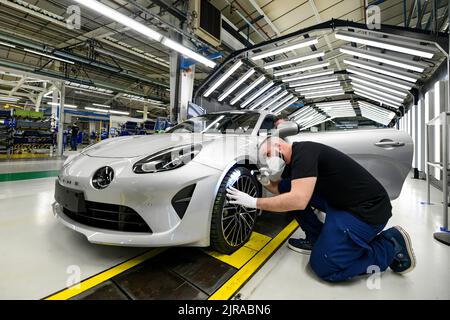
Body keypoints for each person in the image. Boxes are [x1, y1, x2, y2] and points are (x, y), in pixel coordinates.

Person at [226, 136, 416, 282]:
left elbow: (299, 200)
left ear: (279, 146)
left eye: (268, 155)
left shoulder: (305, 152)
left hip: (365, 212)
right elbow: (279, 188)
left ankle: (389, 246)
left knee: (324, 268)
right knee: (286, 188)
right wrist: (263, 179)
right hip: (342, 203)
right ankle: (316, 239)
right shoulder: (293, 164)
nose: (268, 160)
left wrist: (253, 202)